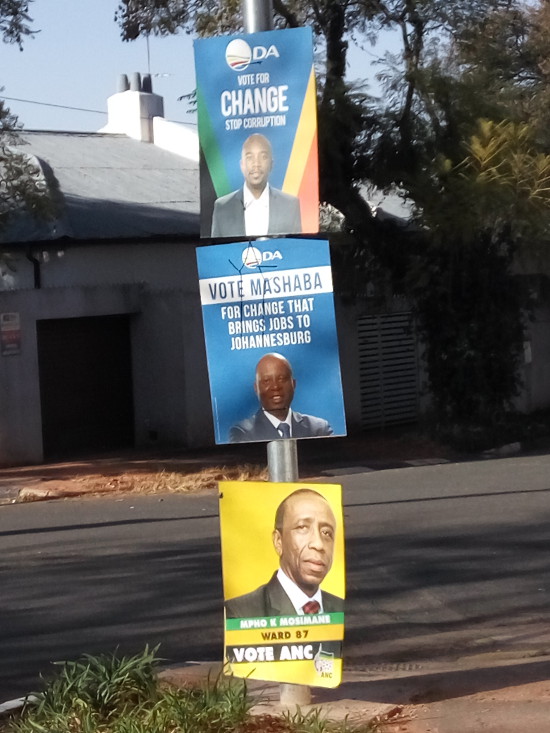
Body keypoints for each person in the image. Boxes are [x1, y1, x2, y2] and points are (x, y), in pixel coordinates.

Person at [225, 488, 344, 618]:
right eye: (302, 527)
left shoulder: (343, 610)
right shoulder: (241, 613)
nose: (318, 544)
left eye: (326, 532)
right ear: (278, 541)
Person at [211, 134, 302, 238]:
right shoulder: (222, 207)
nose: (256, 164)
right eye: (250, 158)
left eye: (263, 157)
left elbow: (297, 249)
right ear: (242, 165)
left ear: (271, 164)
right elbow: (216, 250)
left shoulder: (290, 205)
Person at [229, 352, 333, 442]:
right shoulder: (242, 433)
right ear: (256, 388)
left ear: (294, 384)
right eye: (266, 381)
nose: (275, 387)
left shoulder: (319, 429)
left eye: (282, 379)